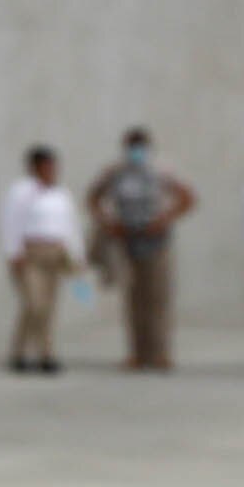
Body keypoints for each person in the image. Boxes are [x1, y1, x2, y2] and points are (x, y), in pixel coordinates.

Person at [88, 128, 197, 371]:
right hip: (128, 241)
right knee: (134, 300)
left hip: (156, 242)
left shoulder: (161, 171)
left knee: (157, 298)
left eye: (140, 146)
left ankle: (160, 353)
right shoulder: (115, 172)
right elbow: (93, 198)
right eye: (131, 146)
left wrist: (164, 219)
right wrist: (109, 223)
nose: (135, 151)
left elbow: (188, 197)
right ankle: (137, 354)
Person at [1, 145, 79, 373]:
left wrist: (75, 254)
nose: (50, 170)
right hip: (30, 253)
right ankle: (34, 351)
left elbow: (70, 225)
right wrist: (13, 252)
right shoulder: (21, 192)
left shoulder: (61, 193)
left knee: (48, 306)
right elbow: (10, 222)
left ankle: (35, 353)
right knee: (35, 304)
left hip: (55, 253)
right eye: (45, 166)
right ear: (34, 168)